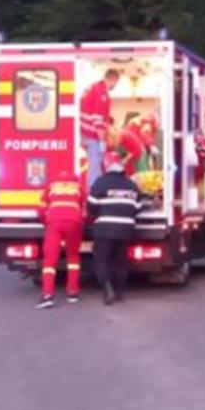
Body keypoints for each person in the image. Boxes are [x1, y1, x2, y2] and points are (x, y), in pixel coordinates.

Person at [88, 152, 140, 305]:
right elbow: (137, 207)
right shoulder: (131, 184)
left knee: (101, 260)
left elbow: (92, 206)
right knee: (121, 260)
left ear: (106, 167)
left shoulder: (100, 183)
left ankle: (107, 288)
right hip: (126, 230)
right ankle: (120, 291)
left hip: (104, 229)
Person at [38, 165, 87, 308]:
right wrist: (83, 221)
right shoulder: (78, 188)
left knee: (50, 260)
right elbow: (86, 207)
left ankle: (48, 295)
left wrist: (45, 221)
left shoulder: (51, 187)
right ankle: (73, 292)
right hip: (74, 223)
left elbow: (41, 209)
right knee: (73, 257)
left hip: (54, 223)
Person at [80, 69, 121, 184]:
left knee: (94, 167)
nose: (115, 86)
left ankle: (94, 194)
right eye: (116, 83)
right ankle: (93, 196)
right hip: (93, 136)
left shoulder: (94, 87)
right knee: (95, 168)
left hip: (86, 134)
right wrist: (102, 140)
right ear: (113, 79)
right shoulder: (102, 94)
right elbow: (98, 121)